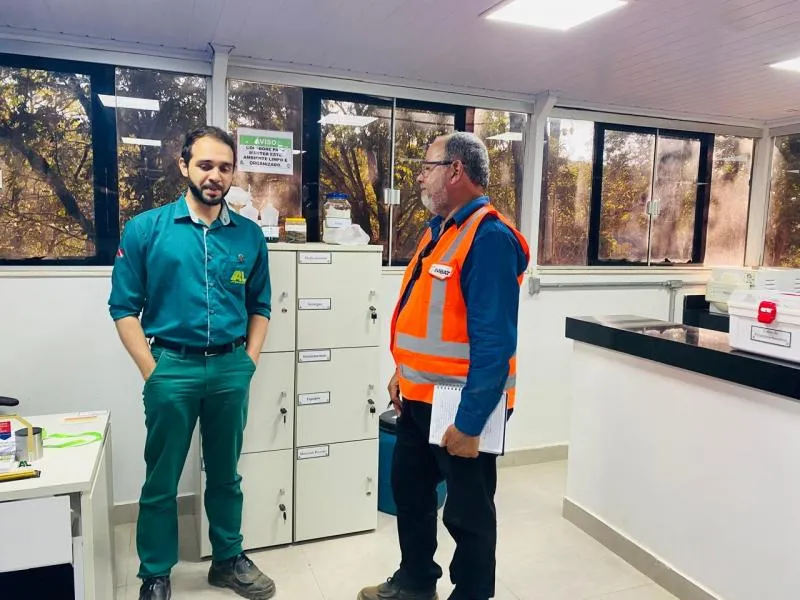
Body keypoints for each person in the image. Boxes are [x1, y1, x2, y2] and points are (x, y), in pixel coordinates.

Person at [358, 132, 530, 600]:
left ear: (456, 170)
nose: (418, 176)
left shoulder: (489, 238)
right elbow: (430, 318)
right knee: (411, 491)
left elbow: (494, 343)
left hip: (462, 405)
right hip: (420, 399)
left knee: (468, 514)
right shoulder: (440, 230)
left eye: (426, 166)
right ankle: (416, 581)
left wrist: (471, 423)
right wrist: (402, 372)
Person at [109, 125, 276, 600]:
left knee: (226, 474)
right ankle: (155, 573)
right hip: (171, 368)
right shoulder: (147, 229)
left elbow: (261, 306)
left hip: (229, 369)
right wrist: (152, 371)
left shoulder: (248, 236)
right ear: (184, 165)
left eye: (224, 167)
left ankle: (227, 560)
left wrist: (248, 363)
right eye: (205, 165)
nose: (215, 176)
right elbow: (123, 308)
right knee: (161, 477)